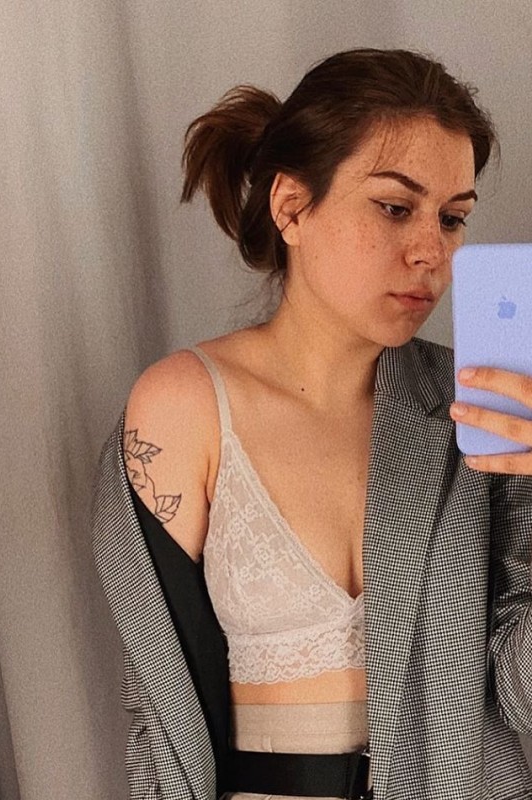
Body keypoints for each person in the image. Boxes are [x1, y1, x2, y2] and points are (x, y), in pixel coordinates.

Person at [92, 48, 532, 800]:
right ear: (292, 206)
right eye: (395, 207)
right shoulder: (186, 407)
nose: (432, 252)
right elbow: (161, 718)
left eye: (453, 218)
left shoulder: (479, 415)